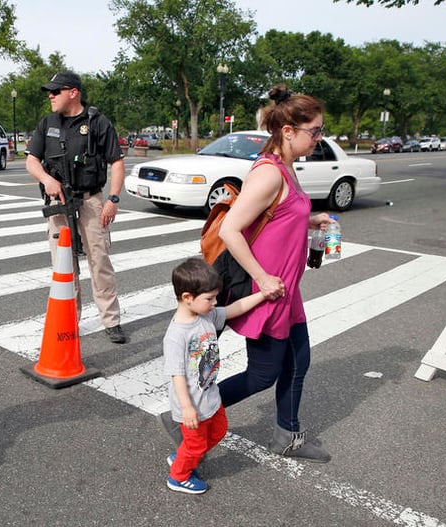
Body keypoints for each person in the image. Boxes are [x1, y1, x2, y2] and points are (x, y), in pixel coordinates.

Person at [179, 85, 333, 463]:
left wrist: (310, 219)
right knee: (263, 374)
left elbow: (278, 216)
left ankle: (288, 436)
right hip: (269, 292)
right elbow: (231, 230)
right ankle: (193, 414)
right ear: (288, 131)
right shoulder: (269, 173)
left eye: (320, 130)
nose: (320, 138)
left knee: (299, 363)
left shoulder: (287, 167)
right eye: (315, 131)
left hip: (286, 291)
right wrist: (263, 278)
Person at [26, 71, 128, 344]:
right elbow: (31, 161)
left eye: (55, 91)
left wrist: (113, 199)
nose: (50, 96)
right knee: (64, 265)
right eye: (50, 91)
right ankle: (69, 320)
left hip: (91, 201)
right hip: (59, 204)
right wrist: (47, 179)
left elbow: (117, 163)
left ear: (73, 93)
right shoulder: (46, 123)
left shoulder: (97, 122)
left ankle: (111, 320)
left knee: (100, 262)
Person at [163, 257, 265, 494]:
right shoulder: (177, 335)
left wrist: (262, 295)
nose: (215, 302)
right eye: (209, 298)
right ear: (187, 297)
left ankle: (183, 455)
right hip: (191, 404)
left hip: (210, 395)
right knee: (197, 447)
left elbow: (232, 310)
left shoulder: (205, 316)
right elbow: (176, 374)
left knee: (218, 432)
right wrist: (187, 408)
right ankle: (178, 476)